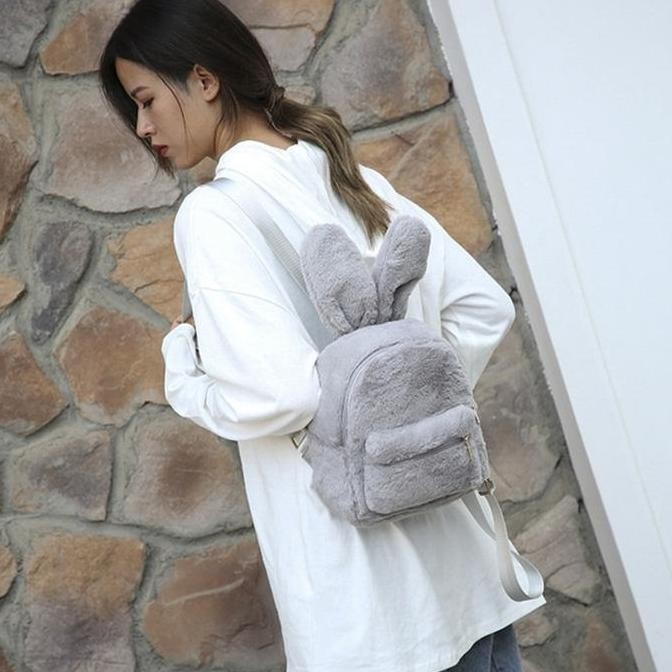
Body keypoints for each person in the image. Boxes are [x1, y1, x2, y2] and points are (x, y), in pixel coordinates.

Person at [99, 1, 546, 670]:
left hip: (371, 613)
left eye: (145, 100)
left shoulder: (215, 213)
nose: (142, 127)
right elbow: (484, 308)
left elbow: (278, 395)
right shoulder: (354, 179)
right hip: (467, 578)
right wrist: (408, 405)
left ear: (203, 79)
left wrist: (184, 372)